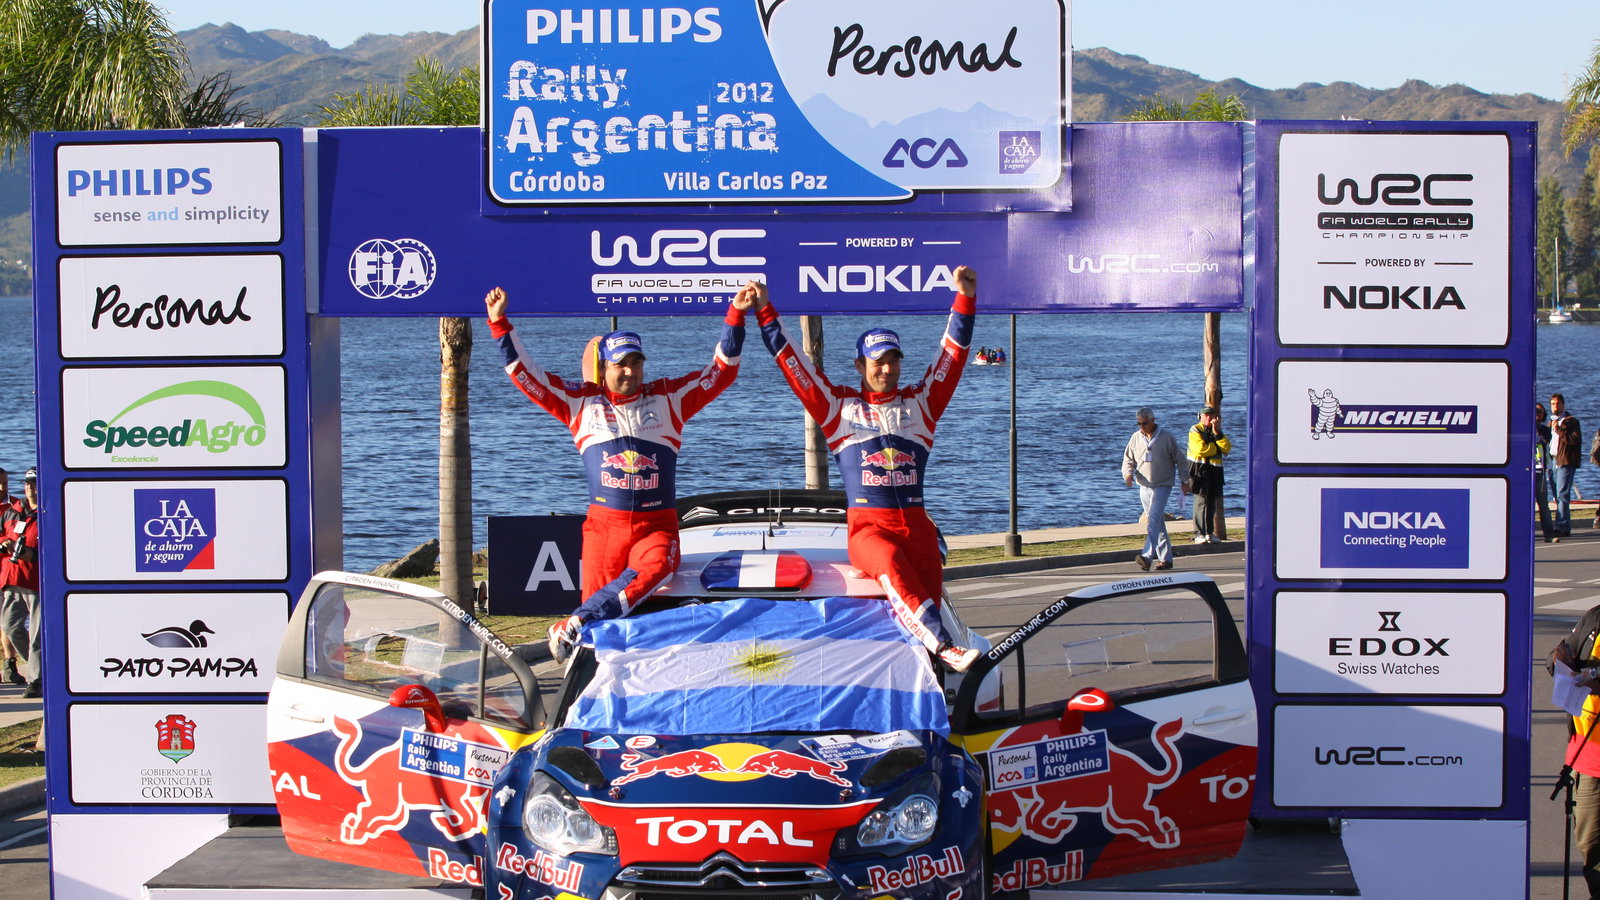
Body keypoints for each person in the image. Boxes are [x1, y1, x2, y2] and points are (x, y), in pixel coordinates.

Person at [485, 286, 757, 661]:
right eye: (620, 364)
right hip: (605, 527)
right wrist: (499, 324)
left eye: (636, 362)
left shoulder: (669, 398)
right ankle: (590, 663)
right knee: (597, 629)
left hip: (657, 523)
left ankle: (575, 623)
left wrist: (735, 315)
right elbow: (526, 376)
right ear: (604, 367)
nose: (630, 371)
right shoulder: (581, 402)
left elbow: (722, 373)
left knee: (658, 566)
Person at [747, 267, 981, 673]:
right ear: (860, 365)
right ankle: (945, 646)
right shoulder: (839, 408)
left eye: (893, 361)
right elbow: (795, 367)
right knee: (890, 564)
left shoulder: (921, 405)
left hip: (919, 528)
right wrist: (766, 312)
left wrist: (965, 299)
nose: (886, 369)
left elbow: (952, 357)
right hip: (868, 529)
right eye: (877, 362)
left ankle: (934, 674)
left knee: (925, 608)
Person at [1552, 605, 1600, 899]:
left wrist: (1595, 677)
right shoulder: (1595, 618)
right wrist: (1558, 658)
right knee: (1591, 848)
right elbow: (1561, 654)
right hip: (1587, 758)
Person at [1122, 407, 1186, 571]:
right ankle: (1166, 558)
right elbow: (1128, 458)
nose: (1141, 427)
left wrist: (1185, 480)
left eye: (1144, 423)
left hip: (1162, 484)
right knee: (1157, 522)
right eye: (1139, 424)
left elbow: (1180, 460)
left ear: (1152, 420)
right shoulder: (1136, 438)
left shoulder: (1166, 437)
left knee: (1153, 520)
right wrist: (1127, 474)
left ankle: (1146, 556)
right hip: (1144, 485)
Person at [0, 469, 40, 697]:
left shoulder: (49, 511)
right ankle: (41, 667)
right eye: (27, 484)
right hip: (11, 579)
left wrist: (30, 554)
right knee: (10, 626)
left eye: (34, 484)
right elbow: (1, 533)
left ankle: (37, 680)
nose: (30, 488)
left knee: (36, 635)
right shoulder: (12, 511)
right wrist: (5, 543)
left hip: (36, 582)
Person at [1187, 405, 1232, 544]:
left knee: (1212, 503)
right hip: (1199, 471)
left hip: (1215, 472)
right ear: (1200, 417)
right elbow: (1201, 449)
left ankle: (1209, 533)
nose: (1208, 418)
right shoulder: (1195, 429)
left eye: (1211, 415)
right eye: (1206, 415)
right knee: (1201, 502)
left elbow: (1227, 448)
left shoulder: (1217, 431)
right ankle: (1199, 533)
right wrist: (1216, 448)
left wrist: (1217, 433)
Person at [0, 468, 23, 687]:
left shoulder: (16, 506)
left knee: (8, 622)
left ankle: (10, 665)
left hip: (9, 573)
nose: (2, 488)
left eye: (5, 483)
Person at [1552, 393, 1583, 537]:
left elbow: (1574, 440)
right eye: (1553, 404)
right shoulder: (1552, 421)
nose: (1555, 407)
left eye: (1558, 404)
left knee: (1562, 494)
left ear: (1563, 405)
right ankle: (1559, 523)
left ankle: (1563, 526)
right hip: (1553, 460)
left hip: (1565, 461)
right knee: (1556, 495)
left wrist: (1559, 430)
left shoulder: (1571, 422)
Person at [1538, 401, 1557, 543]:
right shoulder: (1522, 428)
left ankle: (1549, 534)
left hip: (1539, 471)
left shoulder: (1544, 430)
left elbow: (1547, 440)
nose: (1537, 414)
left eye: (1540, 412)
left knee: (1543, 505)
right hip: (1524, 471)